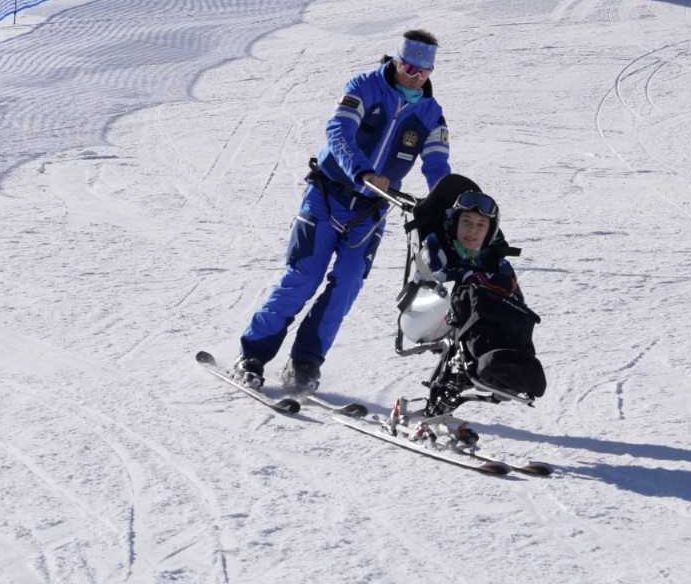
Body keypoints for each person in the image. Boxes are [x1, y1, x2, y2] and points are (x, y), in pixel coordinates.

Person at [233, 30, 451, 393]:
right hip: (327, 195)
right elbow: (338, 131)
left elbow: (437, 165)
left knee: (347, 285)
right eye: (410, 67)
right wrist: (362, 171)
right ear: (396, 61)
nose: (416, 77)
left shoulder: (430, 114)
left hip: (369, 213)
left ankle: (305, 363)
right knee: (303, 276)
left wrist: (443, 203)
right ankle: (253, 354)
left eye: (424, 71)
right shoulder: (364, 86)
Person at [413, 189, 547, 413]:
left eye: (480, 225)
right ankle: (443, 400)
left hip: (480, 329)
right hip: (439, 317)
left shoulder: (496, 262)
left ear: (489, 232)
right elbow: (428, 282)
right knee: (473, 300)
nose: (472, 232)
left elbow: (515, 298)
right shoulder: (439, 248)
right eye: (466, 223)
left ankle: (509, 364)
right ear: (455, 224)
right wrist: (465, 278)